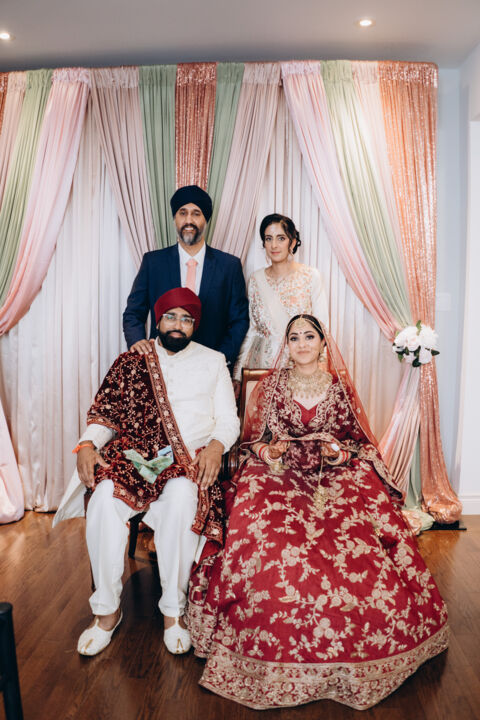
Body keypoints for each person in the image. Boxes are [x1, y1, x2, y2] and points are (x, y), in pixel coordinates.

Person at [188, 314, 448, 710]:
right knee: (270, 544)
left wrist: (339, 453)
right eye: (294, 338)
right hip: (279, 474)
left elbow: (358, 442)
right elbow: (253, 439)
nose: (302, 344)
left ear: (323, 343)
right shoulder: (272, 386)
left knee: (355, 548)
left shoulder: (340, 388)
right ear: (287, 345)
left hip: (334, 475)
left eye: (309, 336)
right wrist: (269, 451)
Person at [54, 288, 240, 657]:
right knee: (103, 500)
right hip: (135, 460)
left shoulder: (213, 360)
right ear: (158, 320)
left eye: (187, 319)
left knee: (181, 501)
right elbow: (105, 415)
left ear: (195, 325)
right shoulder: (133, 361)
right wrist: (87, 444)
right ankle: (106, 611)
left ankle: (173, 611)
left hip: (186, 462)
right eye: (170, 316)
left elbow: (228, 420)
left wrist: (216, 447)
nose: (178, 325)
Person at [123, 185, 249, 369]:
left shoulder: (229, 266)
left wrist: (221, 357)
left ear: (206, 219)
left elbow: (239, 320)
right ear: (175, 218)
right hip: (161, 364)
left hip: (210, 367)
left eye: (196, 213)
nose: (189, 220)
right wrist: (137, 341)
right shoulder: (153, 262)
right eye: (183, 213)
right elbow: (133, 313)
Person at [233, 213, 328, 381]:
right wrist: (238, 375)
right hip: (261, 367)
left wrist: (320, 367)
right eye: (268, 239)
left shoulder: (310, 276)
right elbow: (253, 330)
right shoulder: (256, 279)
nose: (274, 245)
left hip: (299, 365)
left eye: (281, 238)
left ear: (292, 242)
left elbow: (322, 327)